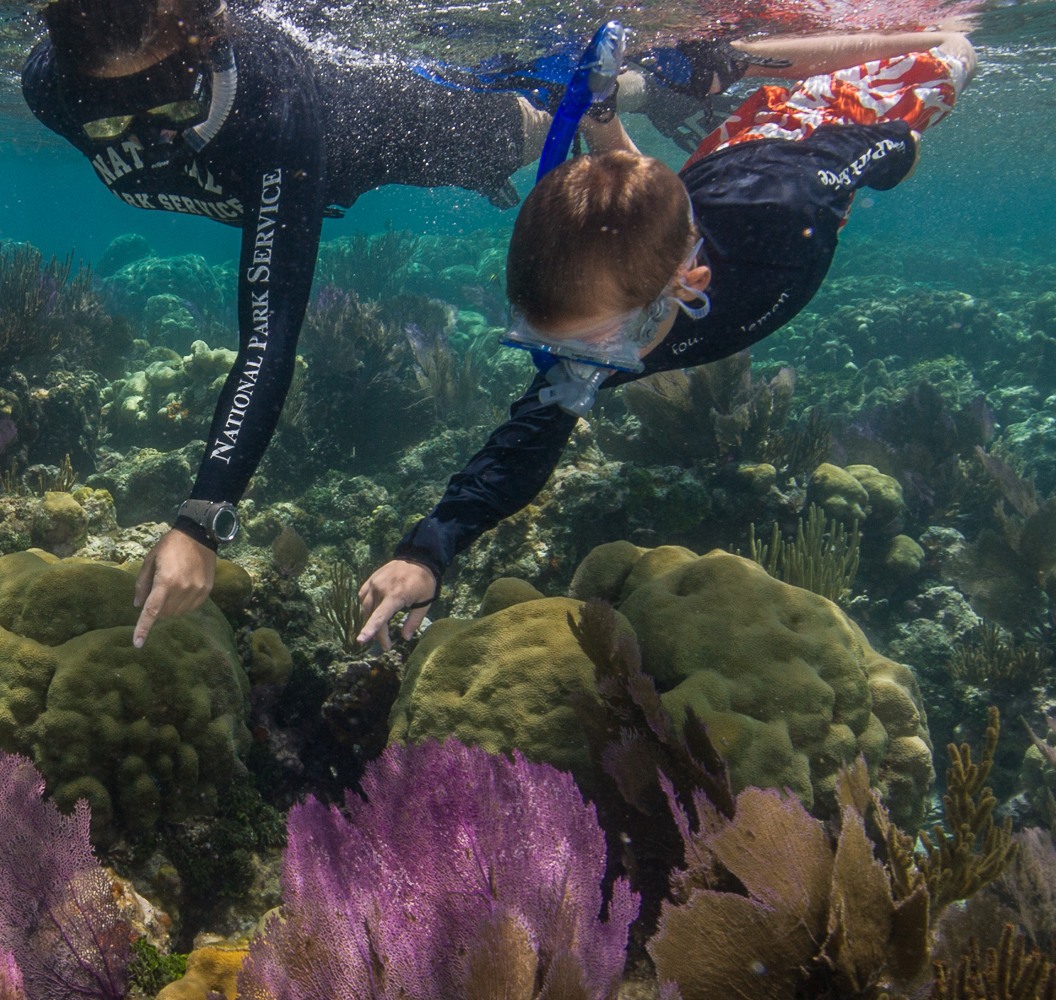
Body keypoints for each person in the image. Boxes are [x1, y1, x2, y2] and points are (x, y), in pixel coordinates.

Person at [350, 28, 978, 648]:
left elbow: (888, 147)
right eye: (556, 342)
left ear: (691, 286)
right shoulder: (607, 328)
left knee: (955, 54)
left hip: (810, 144)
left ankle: (731, 60)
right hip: (708, 173)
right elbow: (523, 446)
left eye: (600, 342)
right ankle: (615, 104)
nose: (582, 368)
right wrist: (427, 552)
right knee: (662, 196)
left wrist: (898, 149)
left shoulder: (794, 212)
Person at [22, 0, 556, 645]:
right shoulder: (48, 90)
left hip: (372, 129)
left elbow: (269, 333)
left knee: (528, 132)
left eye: (168, 97)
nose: (148, 132)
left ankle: (638, 80)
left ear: (209, 47)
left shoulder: (271, 100)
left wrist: (201, 518)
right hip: (281, 159)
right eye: (107, 110)